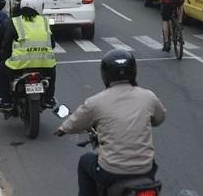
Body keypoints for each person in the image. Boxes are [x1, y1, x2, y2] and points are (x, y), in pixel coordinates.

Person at [56, 49, 166, 196]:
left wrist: (63, 129)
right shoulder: (148, 97)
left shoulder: (96, 102)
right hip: (146, 169)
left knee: (84, 161)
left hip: (112, 172)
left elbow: (75, 122)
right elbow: (159, 118)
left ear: (105, 74)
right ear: (133, 71)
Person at [0, 0, 57, 111]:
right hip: (44, 65)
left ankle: (6, 101)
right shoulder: (45, 21)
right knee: (52, 69)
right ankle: (49, 99)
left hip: (19, 65)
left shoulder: (13, 22)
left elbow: (4, 44)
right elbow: (52, 44)